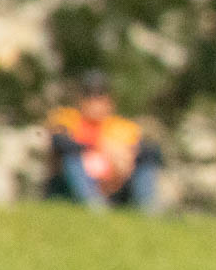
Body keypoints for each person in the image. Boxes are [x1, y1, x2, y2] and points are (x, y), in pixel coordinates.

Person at [45, 72, 162, 212]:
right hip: (72, 185)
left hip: (115, 184)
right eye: (89, 95)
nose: (95, 101)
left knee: (145, 163)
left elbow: (152, 152)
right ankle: (93, 205)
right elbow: (60, 142)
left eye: (100, 95)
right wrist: (102, 147)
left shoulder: (120, 126)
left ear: (110, 101)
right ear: (80, 99)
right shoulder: (68, 118)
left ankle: (148, 210)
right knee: (72, 158)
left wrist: (126, 155)